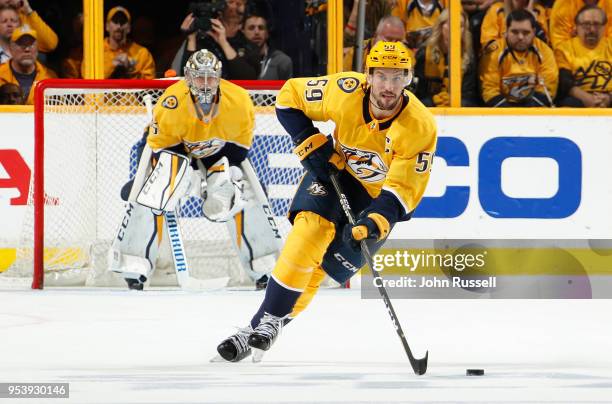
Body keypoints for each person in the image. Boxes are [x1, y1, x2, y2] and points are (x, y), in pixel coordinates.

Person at [216, 41, 437, 362]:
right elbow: (289, 95)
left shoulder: (420, 125)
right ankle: (266, 325)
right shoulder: (344, 91)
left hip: (379, 202)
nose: (388, 87)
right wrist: (308, 140)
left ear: (409, 79)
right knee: (310, 232)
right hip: (337, 175)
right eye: (381, 76)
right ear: (368, 75)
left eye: (397, 78)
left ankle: (258, 328)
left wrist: (373, 223)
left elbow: (403, 190)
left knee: (323, 270)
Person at [109, 49, 279, 291]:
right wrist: (183, 176)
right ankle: (133, 265)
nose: (207, 83)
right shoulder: (171, 103)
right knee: (157, 191)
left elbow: (238, 154)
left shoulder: (239, 101)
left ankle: (264, 266)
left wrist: (216, 181)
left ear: (220, 76)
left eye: (211, 77)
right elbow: (158, 150)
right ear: (188, 78)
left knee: (241, 191)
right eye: (200, 77)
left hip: (218, 155)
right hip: (174, 154)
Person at [479, 9, 558, 107]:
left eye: (526, 33)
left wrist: (525, 114)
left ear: (534, 32)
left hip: (535, 110)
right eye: (515, 32)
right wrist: (511, 115)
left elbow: (548, 87)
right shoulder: (493, 53)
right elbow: (489, 90)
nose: (520, 37)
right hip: (502, 111)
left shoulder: (545, 51)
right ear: (506, 30)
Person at [171, 0, 260, 79]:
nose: (234, 6)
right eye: (231, 2)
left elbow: (248, 77)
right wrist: (191, 39)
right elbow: (188, 76)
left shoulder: (248, 45)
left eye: (239, 3)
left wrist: (223, 43)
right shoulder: (202, 41)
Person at [414, 9, 479, 106]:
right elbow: (416, 95)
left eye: (460, 26)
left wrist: (454, 102)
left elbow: (470, 98)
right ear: (440, 26)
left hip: (457, 114)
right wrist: (432, 101)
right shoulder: (423, 54)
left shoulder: (468, 58)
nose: (455, 29)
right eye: (451, 24)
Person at [554, 5, 612, 107]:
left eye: (597, 24)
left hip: (609, 96)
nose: (592, 30)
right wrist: (587, 98)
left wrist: (609, 98)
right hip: (578, 98)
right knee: (569, 104)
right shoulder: (563, 49)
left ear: (604, 27)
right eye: (586, 24)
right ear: (576, 26)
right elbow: (564, 82)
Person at [0, 26, 56, 104]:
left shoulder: (50, 78)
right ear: (10, 48)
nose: (27, 49)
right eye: (21, 44)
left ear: (37, 49)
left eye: (31, 44)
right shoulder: (1, 74)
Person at [343, 15, 411, 72]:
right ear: (376, 35)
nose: (392, 44)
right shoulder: (357, 52)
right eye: (388, 39)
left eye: (398, 41)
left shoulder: (407, 55)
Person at [102, 6, 155, 79]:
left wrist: (131, 69)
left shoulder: (142, 53)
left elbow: (150, 83)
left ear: (129, 28)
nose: (119, 26)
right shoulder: (95, 51)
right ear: (107, 26)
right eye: (115, 21)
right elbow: (87, 76)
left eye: (122, 22)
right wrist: (112, 65)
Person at [480, 0, 549, 49]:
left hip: (531, 62)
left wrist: (533, 21)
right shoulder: (496, 10)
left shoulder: (538, 11)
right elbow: (488, 45)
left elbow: (544, 46)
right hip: (502, 62)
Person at [242, 12, 292, 79]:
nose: (257, 32)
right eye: (251, 28)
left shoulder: (282, 61)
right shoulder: (236, 59)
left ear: (267, 33)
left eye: (261, 28)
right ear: (243, 32)